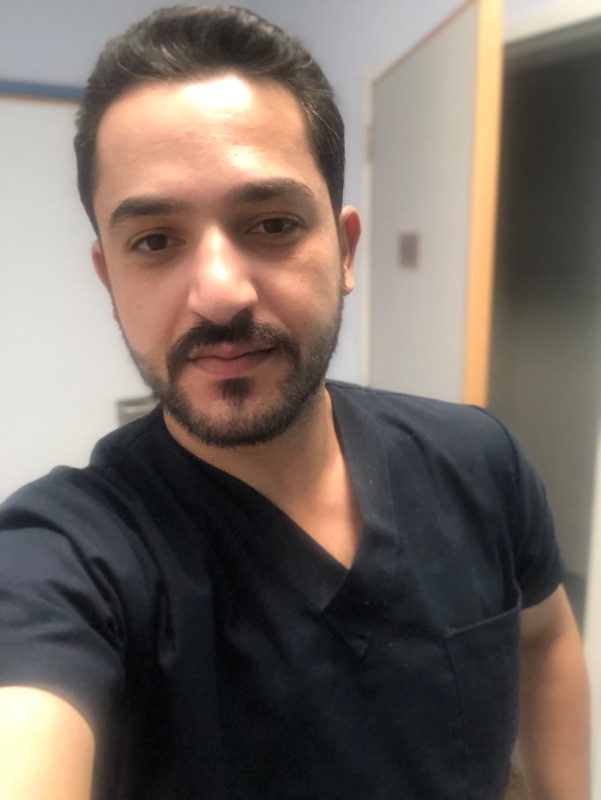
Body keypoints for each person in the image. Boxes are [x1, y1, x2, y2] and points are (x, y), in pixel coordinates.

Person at [0, 6, 590, 799]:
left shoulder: (477, 462)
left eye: (271, 224)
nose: (219, 294)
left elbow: (544, 640)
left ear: (343, 250)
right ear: (110, 279)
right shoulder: (68, 556)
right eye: (155, 241)